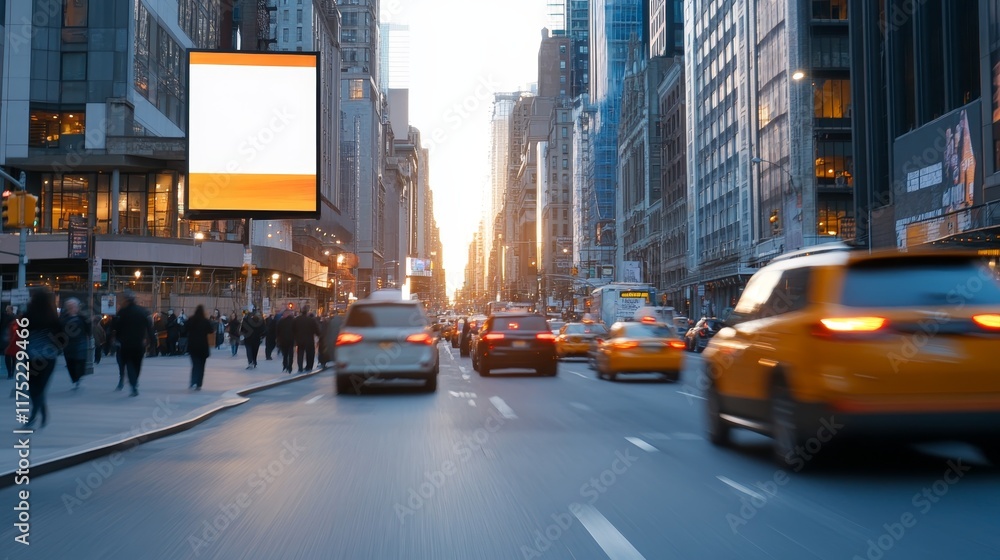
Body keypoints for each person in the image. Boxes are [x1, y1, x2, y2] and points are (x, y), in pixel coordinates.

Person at [24, 288, 63, 428]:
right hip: (49, 357)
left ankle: (35, 414)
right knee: (41, 387)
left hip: (31, 356)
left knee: (33, 388)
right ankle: (41, 413)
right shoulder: (52, 316)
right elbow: (62, 337)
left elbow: (22, 333)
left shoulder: (28, 315)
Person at [115, 291, 155, 397]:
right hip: (139, 344)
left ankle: (133, 384)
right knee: (137, 364)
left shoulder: (122, 312)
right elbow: (150, 328)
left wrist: (117, 340)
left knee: (129, 364)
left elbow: (116, 328)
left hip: (126, 344)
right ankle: (134, 382)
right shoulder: (143, 311)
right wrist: (152, 343)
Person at [60, 298, 90, 390]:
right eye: (70, 306)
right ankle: (75, 379)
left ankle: (78, 377)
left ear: (77, 307)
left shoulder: (82, 317)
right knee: (70, 363)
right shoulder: (64, 318)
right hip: (68, 344)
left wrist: (88, 336)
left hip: (81, 342)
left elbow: (88, 328)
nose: (72, 308)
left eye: (73, 306)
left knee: (80, 361)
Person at [185, 305, 212, 390]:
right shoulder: (205, 321)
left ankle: (193, 381)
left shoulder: (191, 320)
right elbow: (211, 330)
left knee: (195, 365)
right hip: (202, 346)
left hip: (193, 346)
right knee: (201, 366)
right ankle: (199, 383)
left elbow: (185, 329)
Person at [293, 305, 320, 373]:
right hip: (309, 340)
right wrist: (319, 335)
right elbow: (316, 330)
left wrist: (295, 337)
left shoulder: (296, 320)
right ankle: (309, 366)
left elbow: (293, 329)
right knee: (310, 354)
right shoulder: (311, 320)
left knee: (300, 353)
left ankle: (300, 367)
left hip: (300, 340)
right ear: (307, 312)